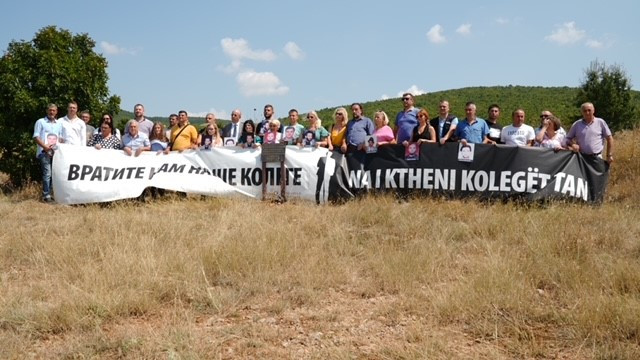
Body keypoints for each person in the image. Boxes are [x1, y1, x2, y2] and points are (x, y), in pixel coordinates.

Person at [565, 102, 614, 166]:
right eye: (585, 111)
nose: (587, 113)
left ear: (593, 111)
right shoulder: (577, 124)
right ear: (582, 112)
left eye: (589, 110)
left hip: (597, 158)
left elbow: (609, 138)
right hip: (581, 158)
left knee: (598, 176)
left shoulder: (600, 122)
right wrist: (573, 144)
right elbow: (567, 139)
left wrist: (609, 155)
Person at [33, 103, 63, 202]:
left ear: (56, 111)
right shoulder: (40, 122)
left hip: (55, 153)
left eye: (54, 110)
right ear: (47, 111)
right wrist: (45, 147)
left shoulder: (59, 123)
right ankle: (46, 195)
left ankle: (51, 194)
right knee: (47, 173)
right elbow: (36, 137)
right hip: (44, 152)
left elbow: (60, 138)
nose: (52, 112)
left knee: (54, 174)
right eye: (50, 110)